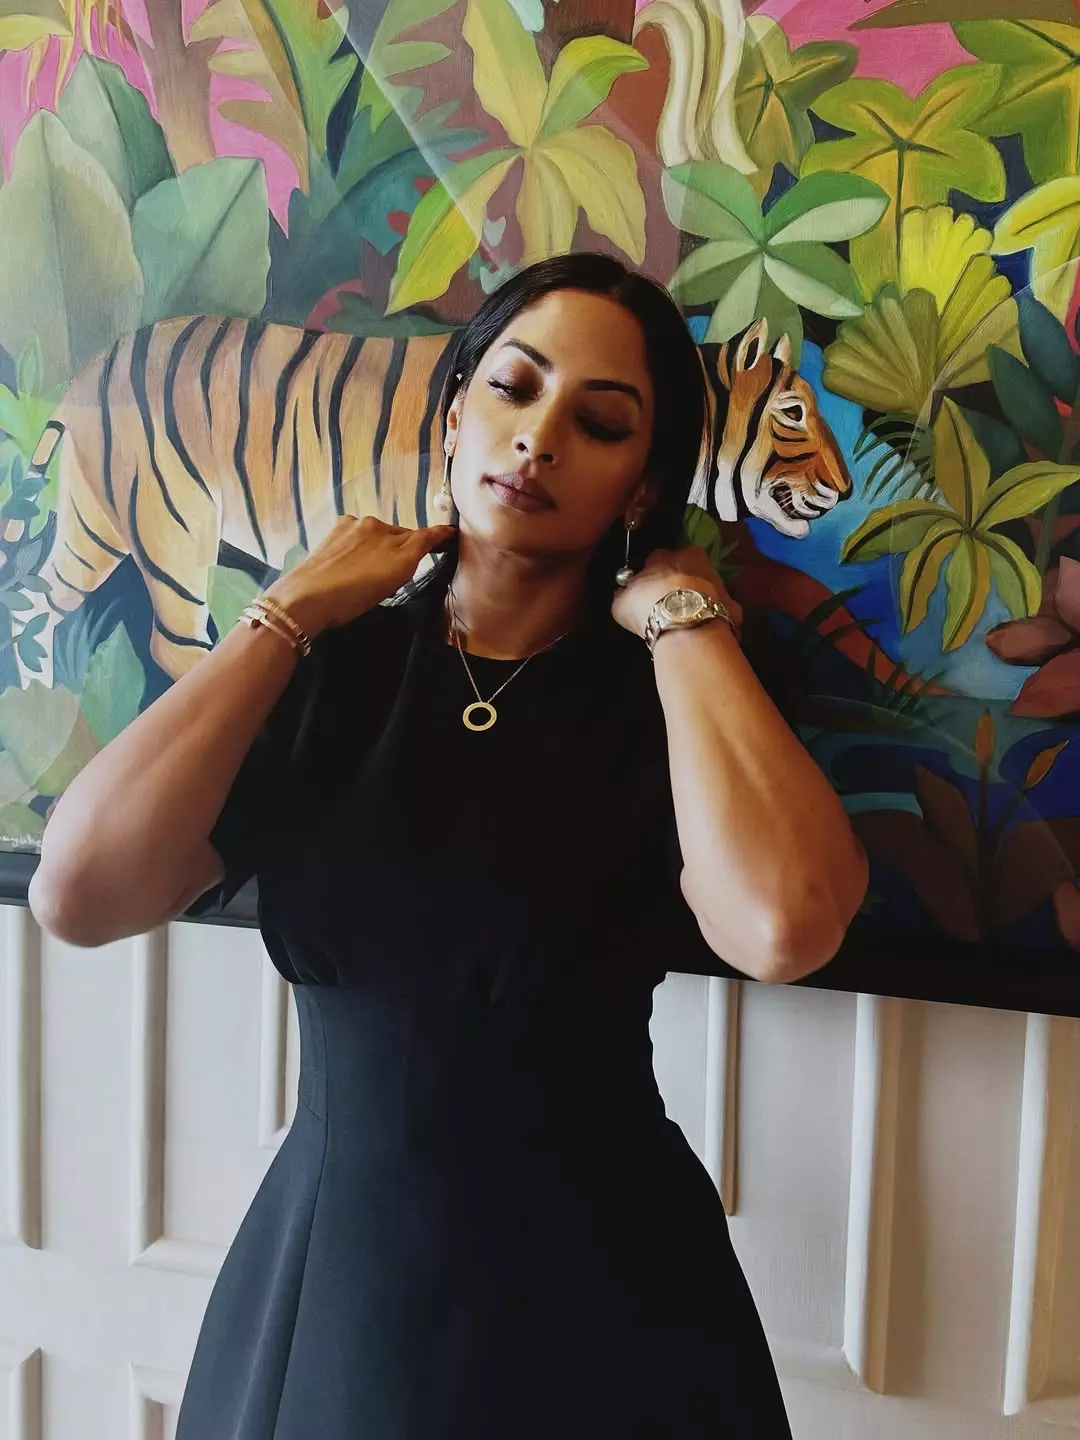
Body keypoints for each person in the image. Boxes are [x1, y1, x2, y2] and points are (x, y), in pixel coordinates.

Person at [30, 253, 868, 1437]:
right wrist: (287, 610)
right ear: (454, 414)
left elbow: (785, 927)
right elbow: (79, 892)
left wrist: (681, 618)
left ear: (643, 482)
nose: (538, 438)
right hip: (342, 1276)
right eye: (513, 388)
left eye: (600, 422)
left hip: (610, 1291)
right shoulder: (329, 671)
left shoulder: (686, 685)